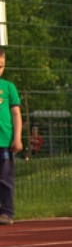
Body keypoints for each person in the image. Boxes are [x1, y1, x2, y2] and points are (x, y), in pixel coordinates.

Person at [0, 47, 22, 226]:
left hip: (4, 142)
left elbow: (16, 114)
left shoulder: (8, 87)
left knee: (5, 178)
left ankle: (6, 212)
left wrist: (17, 137)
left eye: (1, 66)